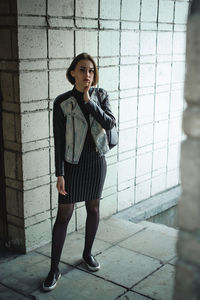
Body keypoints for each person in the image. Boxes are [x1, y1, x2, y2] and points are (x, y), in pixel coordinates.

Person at [42, 53, 116, 291]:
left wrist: (90, 101)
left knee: (93, 208)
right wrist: (59, 174)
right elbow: (59, 142)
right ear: (72, 72)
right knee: (64, 216)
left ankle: (87, 254)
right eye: (83, 70)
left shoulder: (101, 95)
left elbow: (110, 123)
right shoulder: (62, 102)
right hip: (72, 167)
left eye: (91, 71)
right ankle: (54, 269)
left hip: (96, 163)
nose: (88, 75)